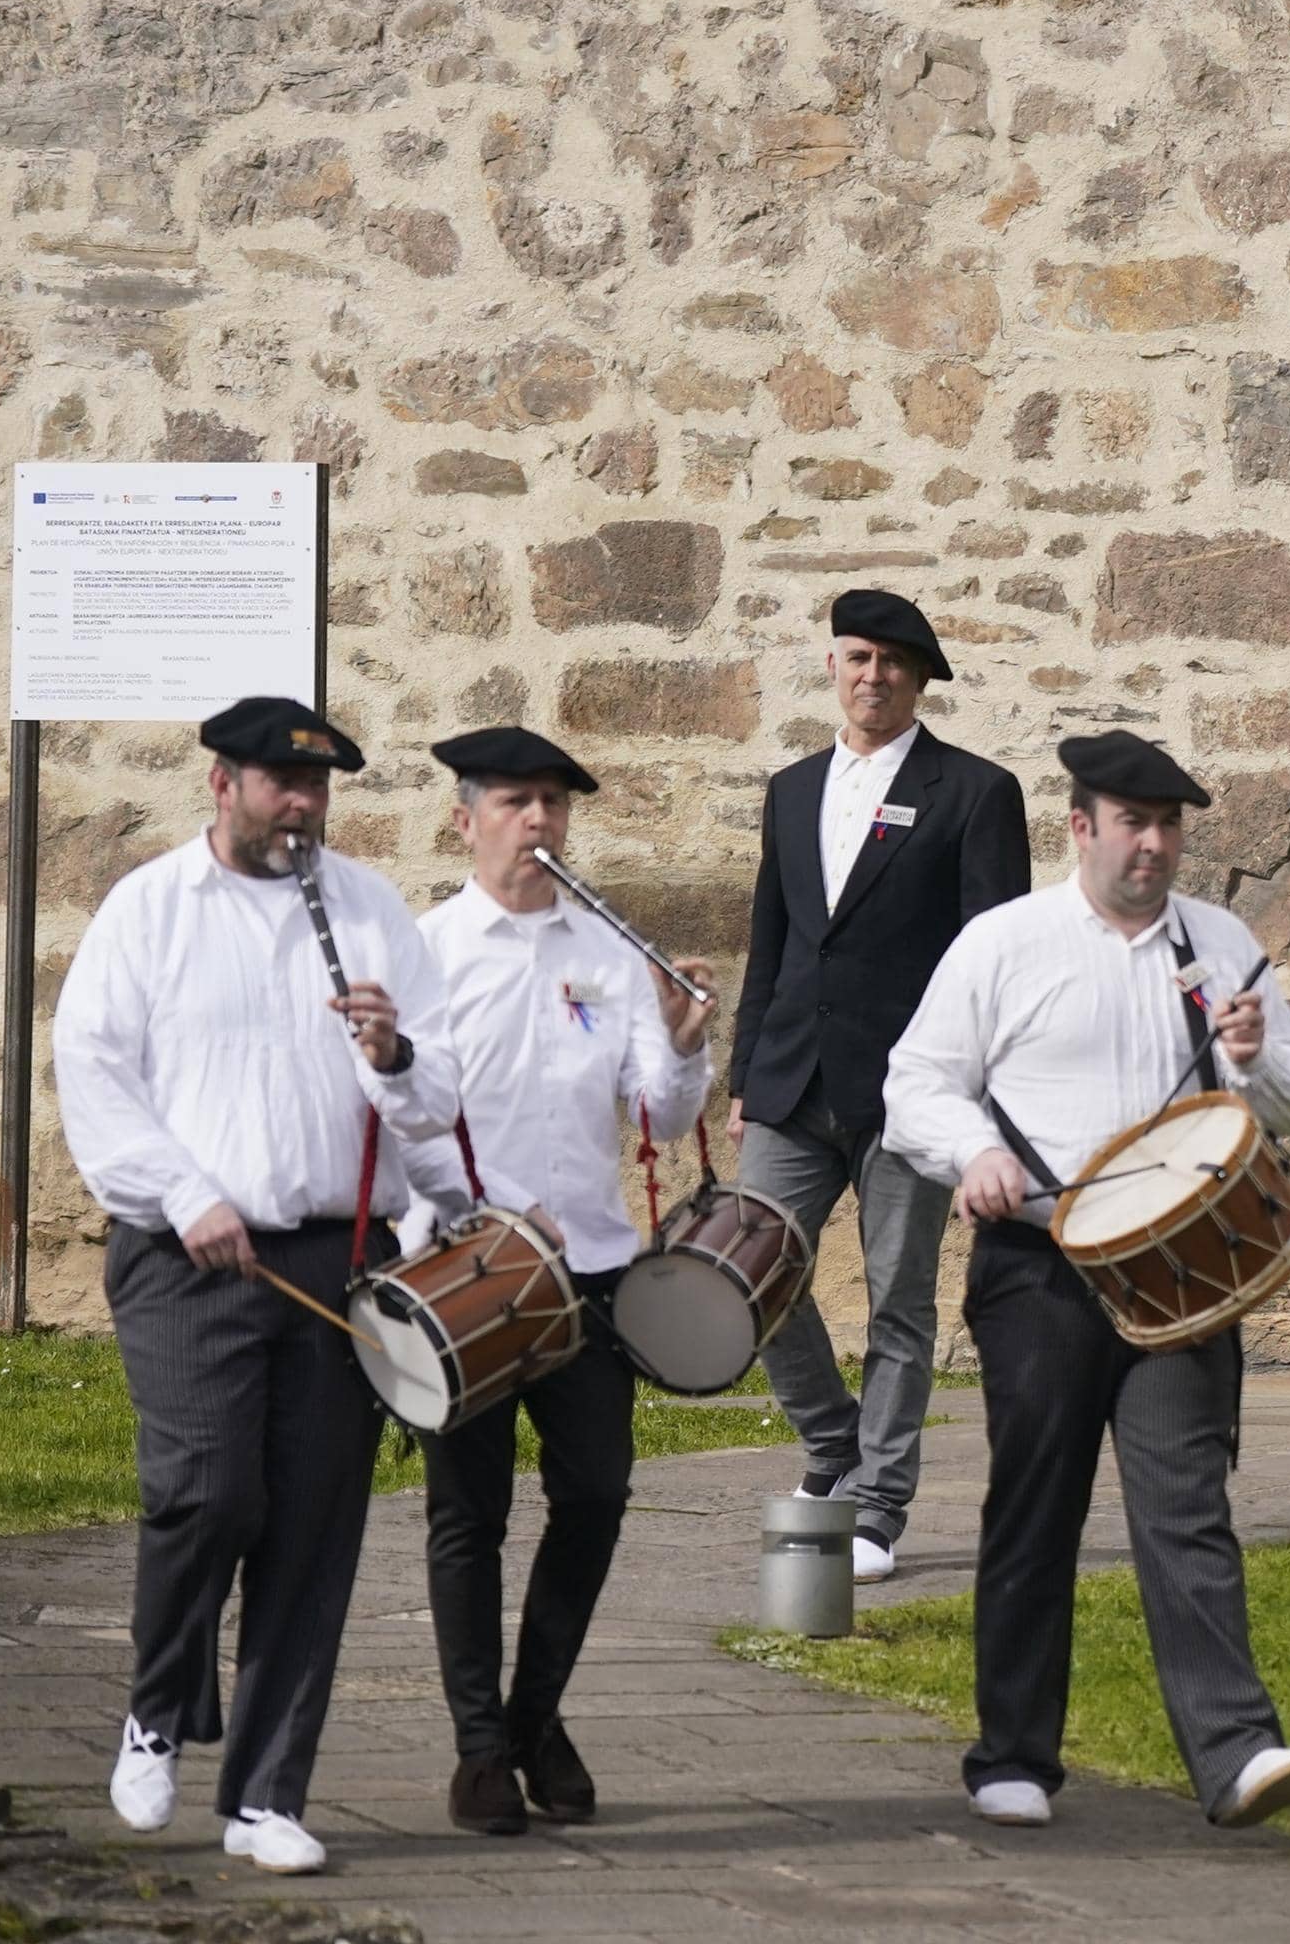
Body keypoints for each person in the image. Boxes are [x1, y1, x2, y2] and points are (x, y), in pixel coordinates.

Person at [882, 731, 1290, 1833]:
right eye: (1134, 822)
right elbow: (915, 1084)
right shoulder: (1005, 942)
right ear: (1079, 827)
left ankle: (1236, 1752)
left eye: (1171, 823)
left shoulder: (1220, 942)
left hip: (1184, 1268)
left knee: (1188, 1507)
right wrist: (971, 1153)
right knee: (1037, 1502)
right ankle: (1014, 1754)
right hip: (1041, 1262)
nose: (1156, 843)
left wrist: (1254, 1052)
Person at [55, 697, 460, 1876]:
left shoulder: (371, 908)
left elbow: (434, 1103)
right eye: (284, 783)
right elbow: (95, 1070)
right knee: (206, 1492)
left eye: (320, 786)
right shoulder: (151, 910)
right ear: (222, 784)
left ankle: (267, 1794)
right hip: (188, 1254)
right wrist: (186, 1194)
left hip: (338, 1254)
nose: (305, 805)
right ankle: (158, 1706)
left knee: (313, 1523)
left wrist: (394, 1056)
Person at [399, 728, 717, 1836]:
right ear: (466, 818)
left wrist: (680, 1041)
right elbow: (399, 1116)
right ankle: (481, 1748)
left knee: (595, 1489)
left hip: (585, 1267)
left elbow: (663, 1113)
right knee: (467, 1513)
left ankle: (534, 1715)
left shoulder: (607, 951)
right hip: (464, 1269)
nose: (539, 822)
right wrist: (449, 1218)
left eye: (554, 805)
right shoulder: (426, 949)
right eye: (516, 803)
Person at [733, 588, 1031, 1582]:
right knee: (747, 1274)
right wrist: (745, 1073)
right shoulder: (789, 787)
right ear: (832, 666)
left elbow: (996, 954)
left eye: (893, 663)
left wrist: (978, 1089)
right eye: (857, 657)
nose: (873, 676)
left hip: (915, 1086)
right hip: (790, 1078)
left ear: (919, 679)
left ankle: (876, 1505)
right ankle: (835, 1440)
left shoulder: (976, 792)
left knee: (901, 1299)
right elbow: (769, 943)